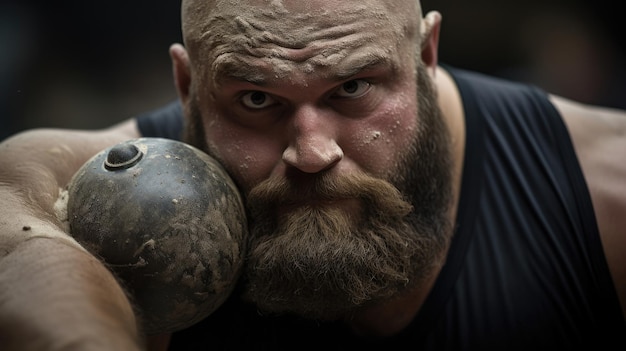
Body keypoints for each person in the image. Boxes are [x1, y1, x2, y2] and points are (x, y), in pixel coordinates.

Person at [0, 0, 624, 350]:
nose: (311, 152)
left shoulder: (602, 190)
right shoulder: (118, 178)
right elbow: (12, 206)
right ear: (188, 86)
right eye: (256, 100)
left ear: (427, 57)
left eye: (351, 88)